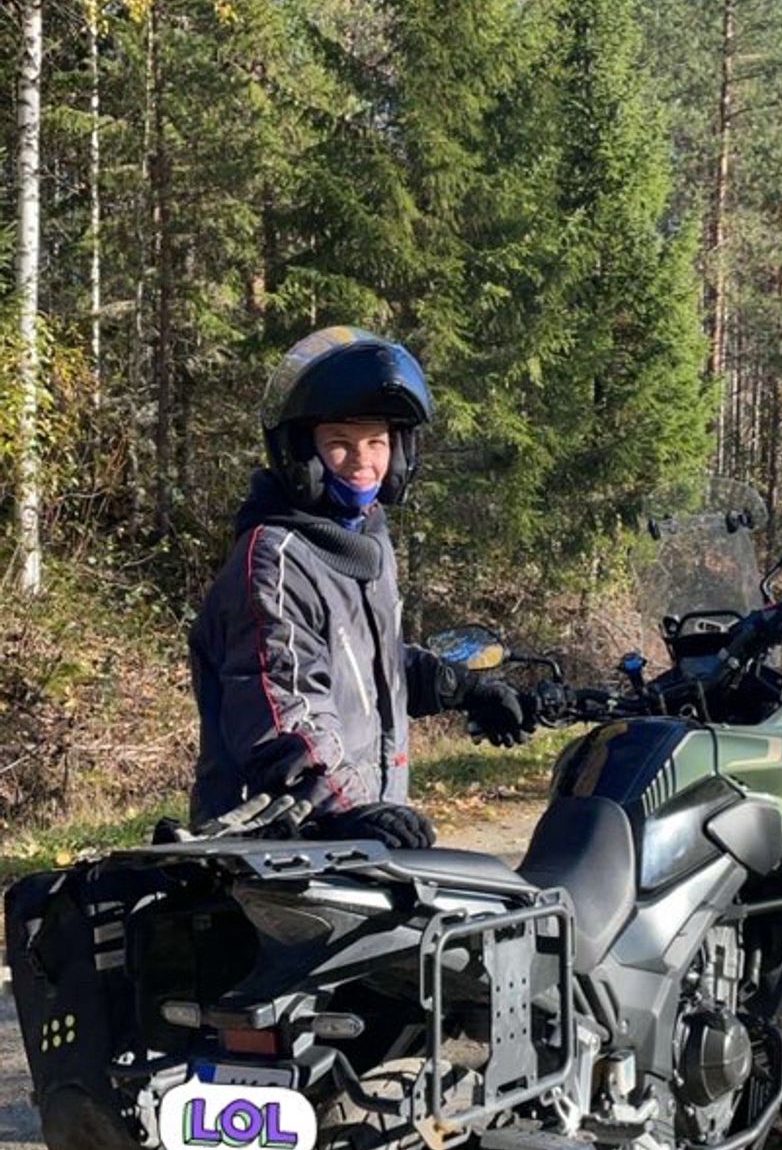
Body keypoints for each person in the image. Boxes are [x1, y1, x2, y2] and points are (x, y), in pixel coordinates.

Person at [188, 325, 530, 844]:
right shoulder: (275, 559)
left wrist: (467, 687)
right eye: (340, 444)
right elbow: (284, 708)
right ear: (303, 454)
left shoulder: (364, 540)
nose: (364, 461)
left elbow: (368, 666)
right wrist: (346, 808)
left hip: (348, 837)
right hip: (275, 851)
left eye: (377, 442)